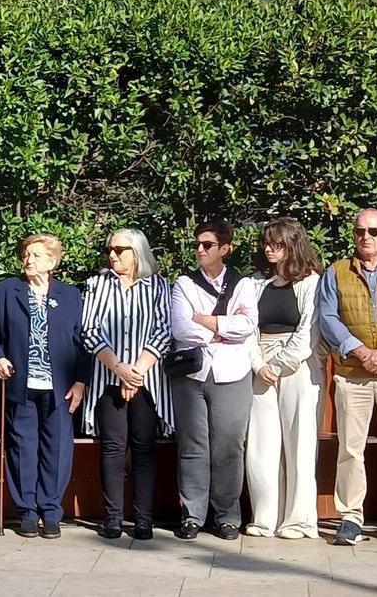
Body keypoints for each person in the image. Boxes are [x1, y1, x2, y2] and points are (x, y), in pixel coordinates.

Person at [0, 234, 88, 539]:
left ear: (52, 262)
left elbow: (82, 340)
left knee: (57, 450)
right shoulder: (7, 291)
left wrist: (81, 380)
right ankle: (27, 511)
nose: (28, 260)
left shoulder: (70, 295)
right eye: (26, 255)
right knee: (22, 448)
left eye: (36, 255)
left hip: (60, 386)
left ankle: (51, 510)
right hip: (21, 382)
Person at [80, 229, 172, 541]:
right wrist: (120, 369)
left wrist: (137, 372)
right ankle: (113, 518)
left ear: (138, 252)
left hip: (146, 381)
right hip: (109, 378)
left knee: (144, 449)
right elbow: (90, 330)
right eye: (110, 249)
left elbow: (163, 331)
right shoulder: (97, 284)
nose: (113, 255)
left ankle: (144, 519)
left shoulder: (158, 285)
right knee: (113, 448)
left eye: (120, 249)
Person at [169, 220, 258, 541]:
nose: (200, 250)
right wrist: (222, 329)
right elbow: (180, 328)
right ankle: (192, 513)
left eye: (207, 245)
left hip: (233, 374)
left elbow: (247, 325)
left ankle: (226, 515)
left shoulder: (243, 283)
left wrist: (204, 321)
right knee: (193, 446)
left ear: (225, 249)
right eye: (197, 244)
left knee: (229, 446)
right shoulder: (183, 284)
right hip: (191, 374)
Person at [318, 207, 377, 546]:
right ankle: (350, 517)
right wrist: (363, 353)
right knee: (351, 450)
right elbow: (328, 318)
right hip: (353, 375)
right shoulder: (336, 272)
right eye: (360, 231)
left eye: (374, 231)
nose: (366, 236)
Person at [244, 217, 323, 539]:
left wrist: (278, 365)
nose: (269, 249)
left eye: (276, 244)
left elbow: (308, 333)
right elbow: (247, 327)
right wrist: (258, 364)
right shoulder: (254, 283)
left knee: (300, 443)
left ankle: (299, 521)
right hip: (260, 364)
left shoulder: (311, 282)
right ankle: (264, 518)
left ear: (292, 245)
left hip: (297, 368)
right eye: (266, 243)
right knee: (261, 446)